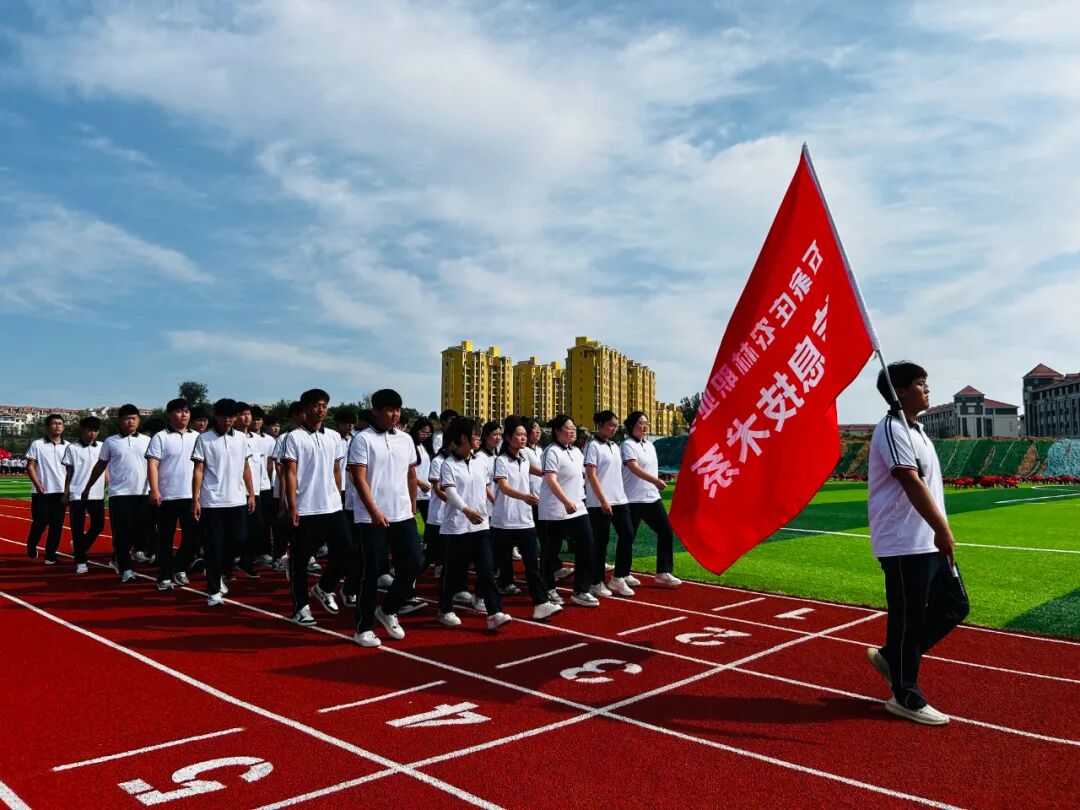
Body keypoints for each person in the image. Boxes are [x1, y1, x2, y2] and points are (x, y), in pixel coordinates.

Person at [867, 362, 969, 726]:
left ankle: (893, 657)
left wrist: (939, 530)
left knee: (954, 605)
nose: (926, 389)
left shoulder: (918, 431)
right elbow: (909, 481)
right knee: (908, 619)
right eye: (920, 384)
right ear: (900, 392)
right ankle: (905, 695)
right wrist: (942, 529)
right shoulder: (892, 430)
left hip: (927, 540)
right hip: (903, 542)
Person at [347, 389, 425, 646]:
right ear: (377, 411)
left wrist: (412, 507)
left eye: (398, 410)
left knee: (414, 564)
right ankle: (363, 628)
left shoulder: (405, 439)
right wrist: (374, 512)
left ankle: (389, 609)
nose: (395, 415)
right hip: (372, 518)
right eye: (390, 410)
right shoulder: (362, 440)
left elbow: (411, 475)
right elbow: (359, 478)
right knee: (370, 573)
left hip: (402, 514)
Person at [281, 389, 353, 626]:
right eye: (315, 405)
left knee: (347, 551)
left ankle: (324, 587)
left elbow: (336, 470)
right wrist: (292, 505)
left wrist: (338, 496)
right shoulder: (294, 438)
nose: (321, 410)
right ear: (304, 408)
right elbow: (290, 473)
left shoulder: (333, 437)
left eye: (324, 405)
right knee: (300, 561)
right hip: (306, 507)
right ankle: (301, 607)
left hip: (332, 506)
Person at [437, 417, 511, 629]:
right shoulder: (448, 464)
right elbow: (450, 492)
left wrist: (495, 502)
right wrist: (466, 510)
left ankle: (494, 612)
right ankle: (445, 609)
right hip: (457, 527)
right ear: (463, 438)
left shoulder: (481, 461)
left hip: (480, 525)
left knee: (486, 569)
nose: (479, 438)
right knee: (453, 571)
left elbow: (486, 487)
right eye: (475, 434)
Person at [492, 416, 561, 619]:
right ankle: (481, 597)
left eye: (524, 434)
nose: (523, 438)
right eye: (518, 435)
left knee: (532, 566)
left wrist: (555, 474)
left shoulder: (524, 457)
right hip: (504, 522)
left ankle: (541, 603)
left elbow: (538, 471)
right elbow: (504, 487)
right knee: (492, 565)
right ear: (508, 437)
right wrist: (525, 496)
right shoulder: (501, 461)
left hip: (525, 521)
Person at [191, 398, 256, 606]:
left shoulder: (241, 438)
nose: (228, 420)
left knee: (240, 539)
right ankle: (213, 589)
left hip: (237, 499)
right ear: (216, 416)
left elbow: (245, 467)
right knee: (213, 546)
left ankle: (220, 572)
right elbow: (198, 470)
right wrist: (195, 499)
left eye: (231, 416)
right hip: (212, 501)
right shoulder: (204, 439)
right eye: (224, 416)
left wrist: (251, 493)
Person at [83, 404, 151, 583]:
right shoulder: (111, 442)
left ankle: (118, 558)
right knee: (122, 532)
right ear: (120, 421)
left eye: (134, 418)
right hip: (119, 494)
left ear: (139, 420)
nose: (131, 421)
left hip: (143, 493)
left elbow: (155, 466)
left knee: (140, 531)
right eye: (127, 418)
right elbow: (100, 465)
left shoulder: (147, 441)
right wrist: (88, 486)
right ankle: (126, 569)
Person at [538, 415, 598, 607]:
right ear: (557, 431)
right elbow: (551, 479)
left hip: (578, 507)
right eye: (568, 428)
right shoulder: (551, 452)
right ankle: (548, 588)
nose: (572, 432)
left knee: (587, 544)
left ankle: (581, 590)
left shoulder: (577, 452)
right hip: (555, 508)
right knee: (551, 550)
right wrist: (565, 501)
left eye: (574, 428)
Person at [622, 411, 681, 588]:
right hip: (632, 498)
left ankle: (663, 572)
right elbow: (633, 467)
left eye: (646, 423)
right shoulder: (627, 445)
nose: (645, 426)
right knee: (628, 537)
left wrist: (654, 483)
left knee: (666, 530)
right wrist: (655, 481)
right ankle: (623, 573)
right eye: (641, 423)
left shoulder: (649, 445)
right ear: (631, 426)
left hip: (651, 497)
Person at [146, 398, 200, 590]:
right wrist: (154, 490)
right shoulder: (160, 437)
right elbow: (152, 464)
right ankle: (164, 575)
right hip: (167, 496)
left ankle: (180, 567)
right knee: (165, 539)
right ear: (169, 414)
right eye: (179, 411)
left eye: (186, 411)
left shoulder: (198, 437)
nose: (184, 415)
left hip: (192, 496)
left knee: (193, 537)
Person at [585, 411, 636, 598]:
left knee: (628, 535)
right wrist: (603, 500)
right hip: (599, 502)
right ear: (600, 425)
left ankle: (618, 577)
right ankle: (596, 582)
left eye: (616, 426)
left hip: (619, 499)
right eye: (611, 425)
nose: (614, 429)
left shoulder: (615, 445)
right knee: (601, 542)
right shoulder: (592, 446)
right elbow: (591, 475)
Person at [25, 413, 70, 563]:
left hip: (61, 492)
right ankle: (32, 543)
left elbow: (70, 470)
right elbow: (30, 466)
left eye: (60, 423)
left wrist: (67, 490)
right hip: (41, 491)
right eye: (54, 423)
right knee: (40, 521)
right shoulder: (37, 444)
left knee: (56, 525)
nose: (57, 426)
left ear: (63, 427)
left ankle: (51, 555)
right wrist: (37, 484)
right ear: (47, 426)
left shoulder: (68, 446)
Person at [63, 416, 106, 574]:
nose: (93, 433)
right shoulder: (72, 448)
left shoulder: (102, 446)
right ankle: (81, 561)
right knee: (77, 528)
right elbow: (69, 472)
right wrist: (66, 492)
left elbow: (105, 468)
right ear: (82, 430)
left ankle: (80, 546)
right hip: (77, 493)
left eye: (96, 430)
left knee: (98, 525)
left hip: (97, 493)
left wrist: (107, 485)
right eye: (90, 430)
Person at [409, 417, 435, 525]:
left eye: (428, 434)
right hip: (412, 492)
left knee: (430, 525)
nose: (425, 436)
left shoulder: (426, 447)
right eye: (423, 432)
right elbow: (405, 470)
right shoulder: (409, 445)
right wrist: (419, 483)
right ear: (416, 430)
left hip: (426, 493)